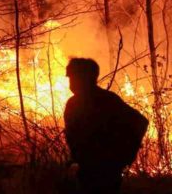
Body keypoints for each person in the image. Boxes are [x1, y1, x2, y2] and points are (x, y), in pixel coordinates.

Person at [64, 58, 149, 194]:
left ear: (85, 77)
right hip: (88, 169)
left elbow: (140, 122)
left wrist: (126, 156)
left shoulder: (106, 100)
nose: (71, 83)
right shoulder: (75, 103)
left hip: (104, 170)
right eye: (70, 78)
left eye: (73, 77)